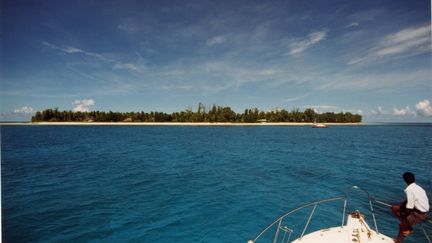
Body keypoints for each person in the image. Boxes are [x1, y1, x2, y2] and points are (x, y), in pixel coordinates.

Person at [391, 172, 429, 243]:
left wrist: (405, 219)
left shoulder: (409, 189)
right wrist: (401, 206)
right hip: (422, 211)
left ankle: (399, 240)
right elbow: (410, 200)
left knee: (402, 226)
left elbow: (409, 208)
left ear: (405, 180)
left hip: (418, 213)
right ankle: (408, 227)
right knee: (394, 208)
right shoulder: (419, 188)